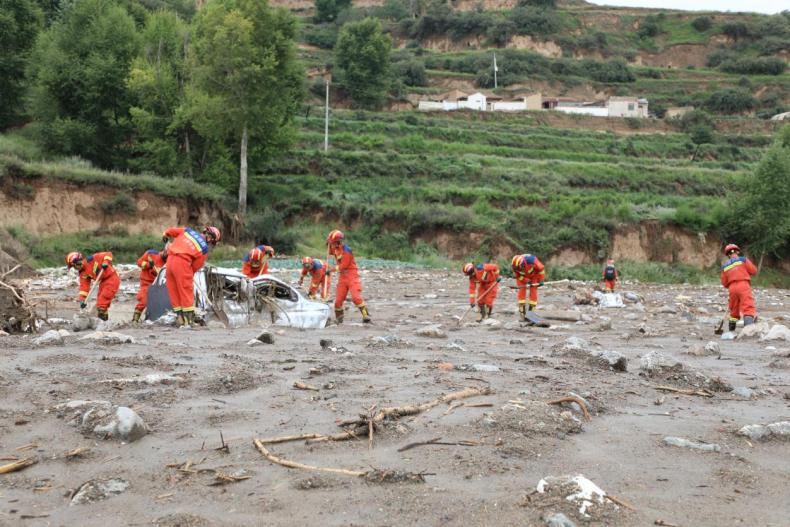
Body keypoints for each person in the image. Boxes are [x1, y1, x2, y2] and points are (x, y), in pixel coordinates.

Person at [162, 225, 221, 327]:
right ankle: (188, 322)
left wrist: (165, 234)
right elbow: (195, 266)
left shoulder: (188, 231)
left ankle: (180, 319)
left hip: (170, 261)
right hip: (182, 263)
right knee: (186, 291)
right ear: (210, 238)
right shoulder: (204, 248)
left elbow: (170, 231)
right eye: (212, 243)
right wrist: (188, 275)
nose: (211, 244)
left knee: (174, 291)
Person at [327, 229, 370, 324]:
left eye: (333, 243)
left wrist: (331, 269)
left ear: (339, 242)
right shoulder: (335, 248)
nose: (332, 244)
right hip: (342, 277)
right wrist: (328, 244)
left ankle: (365, 315)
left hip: (351, 275)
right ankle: (339, 319)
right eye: (331, 243)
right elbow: (330, 251)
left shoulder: (347, 251)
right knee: (338, 301)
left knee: (356, 298)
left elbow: (343, 266)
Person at [65, 251, 120, 321]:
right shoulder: (82, 273)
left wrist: (106, 261)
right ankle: (105, 321)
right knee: (100, 301)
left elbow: (108, 254)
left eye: (75, 266)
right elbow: (84, 287)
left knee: (103, 301)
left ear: (78, 261)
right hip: (103, 281)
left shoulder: (92, 259)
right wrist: (82, 299)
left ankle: (103, 321)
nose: (76, 268)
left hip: (112, 278)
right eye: (73, 267)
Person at [720, 243, 758, 331]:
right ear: (737, 252)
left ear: (728, 255)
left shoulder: (725, 266)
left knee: (734, 309)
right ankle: (748, 329)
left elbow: (724, 283)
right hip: (744, 285)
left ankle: (731, 329)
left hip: (732, 288)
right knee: (748, 306)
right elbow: (754, 271)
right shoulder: (743, 260)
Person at [132, 249, 167, 323]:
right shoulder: (151, 254)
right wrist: (148, 265)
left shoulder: (168, 263)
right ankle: (135, 320)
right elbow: (139, 262)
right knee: (144, 300)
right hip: (146, 282)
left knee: (157, 303)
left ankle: (149, 319)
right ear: (164, 251)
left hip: (158, 284)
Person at [511, 253, 545, 321]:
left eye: (520, 268)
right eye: (517, 268)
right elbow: (517, 276)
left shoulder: (532, 261)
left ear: (523, 264)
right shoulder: (514, 266)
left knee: (533, 292)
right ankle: (522, 314)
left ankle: (530, 314)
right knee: (521, 292)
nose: (519, 269)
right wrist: (526, 280)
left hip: (534, 275)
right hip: (522, 277)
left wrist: (541, 280)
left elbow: (541, 269)